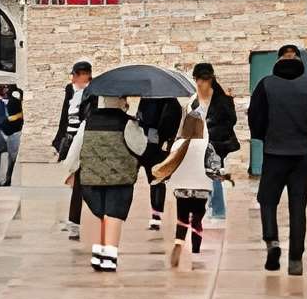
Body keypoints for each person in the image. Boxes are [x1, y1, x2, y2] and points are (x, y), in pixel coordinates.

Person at [247, 44, 307, 274]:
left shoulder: (266, 85)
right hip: (301, 155)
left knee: (267, 199)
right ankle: (295, 259)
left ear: (278, 60)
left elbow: (254, 116)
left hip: (274, 152)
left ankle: (272, 241)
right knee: (298, 206)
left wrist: (263, 135)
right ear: (299, 61)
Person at [66, 91, 141, 271]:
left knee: (98, 213)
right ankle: (109, 257)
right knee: (114, 214)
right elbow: (140, 147)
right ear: (121, 101)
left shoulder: (88, 122)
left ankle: (97, 254)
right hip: (119, 179)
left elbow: (75, 149)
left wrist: (71, 169)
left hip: (91, 178)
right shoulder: (128, 123)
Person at [141, 97, 211, 266]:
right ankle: (195, 249)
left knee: (182, 218)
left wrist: (161, 174)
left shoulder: (177, 144)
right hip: (201, 188)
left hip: (182, 189)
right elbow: (213, 166)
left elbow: (170, 165)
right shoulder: (207, 145)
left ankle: (179, 242)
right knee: (197, 218)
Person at [190, 65, 238, 224]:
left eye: (203, 80)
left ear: (210, 79)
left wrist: (211, 127)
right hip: (200, 142)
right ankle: (211, 206)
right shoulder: (195, 100)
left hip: (217, 143)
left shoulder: (222, 99)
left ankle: (218, 209)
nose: (200, 83)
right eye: (198, 80)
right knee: (204, 174)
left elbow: (231, 121)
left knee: (214, 173)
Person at [52, 61, 96, 167]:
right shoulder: (70, 88)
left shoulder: (93, 89)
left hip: (84, 130)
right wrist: (59, 136)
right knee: (70, 164)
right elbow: (65, 113)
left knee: (81, 162)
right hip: (70, 132)